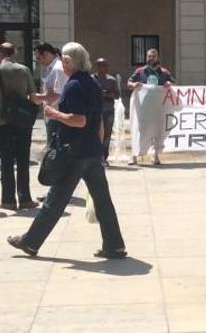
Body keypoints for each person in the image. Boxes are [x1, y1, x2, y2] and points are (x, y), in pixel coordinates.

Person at [7, 42, 126, 259]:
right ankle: (114, 245)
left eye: (63, 59)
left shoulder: (73, 86)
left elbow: (78, 120)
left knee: (55, 200)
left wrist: (55, 114)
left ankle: (30, 242)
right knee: (102, 201)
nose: (62, 62)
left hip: (75, 153)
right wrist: (99, 149)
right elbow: (96, 121)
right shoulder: (90, 83)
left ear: (69, 62)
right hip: (91, 151)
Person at [0, 43, 39, 211]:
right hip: (22, 121)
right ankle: (25, 198)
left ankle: (8, 200)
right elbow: (33, 96)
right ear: (15, 52)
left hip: (1, 120)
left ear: (0, 53)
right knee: (22, 159)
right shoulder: (23, 70)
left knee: (6, 160)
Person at [127, 48, 174, 166]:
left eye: (153, 56)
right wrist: (133, 85)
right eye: (149, 56)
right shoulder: (140, 71)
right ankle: (134, 156)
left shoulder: (164, 72)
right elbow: (129, 83)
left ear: (157, 57)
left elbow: (172, 83)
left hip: (158, 109)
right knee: (139, 130)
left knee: (157, 131)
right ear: (146, 57)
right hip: (143, 109)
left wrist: (169, 84)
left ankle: (155, 156)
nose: (151, 58)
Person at [35, 43, 68, 144]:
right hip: (52, 115)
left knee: (55, 149)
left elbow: (58, 95)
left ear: (45, 54)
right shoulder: (51, 68)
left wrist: (37, 98)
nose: (38, 61)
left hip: (57, 116)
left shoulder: (58, 69)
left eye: (38, 57)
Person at [93, 58, 121, 166]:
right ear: (97, 67)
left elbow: (117, 95)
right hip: (95, 111)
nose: (104, 68)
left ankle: (104, 157)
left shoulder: (112, 80)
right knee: (95, 134)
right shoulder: (92, 79)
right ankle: (95, 157)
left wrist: (107, 94)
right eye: (101, 65)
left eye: (106, 65)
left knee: (107, 135)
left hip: (108, 111)